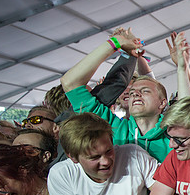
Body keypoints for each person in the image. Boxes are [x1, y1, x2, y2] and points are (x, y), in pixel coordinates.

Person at [60, 28, 171, 162]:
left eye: (145, 91)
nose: (135, 94)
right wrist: (115, 43)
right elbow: (70, 82)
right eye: (131, 92)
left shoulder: (174, 136)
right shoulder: (112, 128)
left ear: (163, 102)